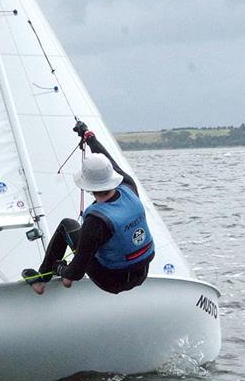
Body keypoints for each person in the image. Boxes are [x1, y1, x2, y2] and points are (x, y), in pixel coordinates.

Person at [23, 121, 155, 295]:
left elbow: (77, 272)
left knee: (67, 226)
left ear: (88, 186)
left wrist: (60, 268)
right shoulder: (128, 186)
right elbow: (108, 159)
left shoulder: (96, 221)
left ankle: (42, 279)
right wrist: (89, 136)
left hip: (111, 282)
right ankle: (59, 276)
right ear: (111, 177)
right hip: (142, 272)